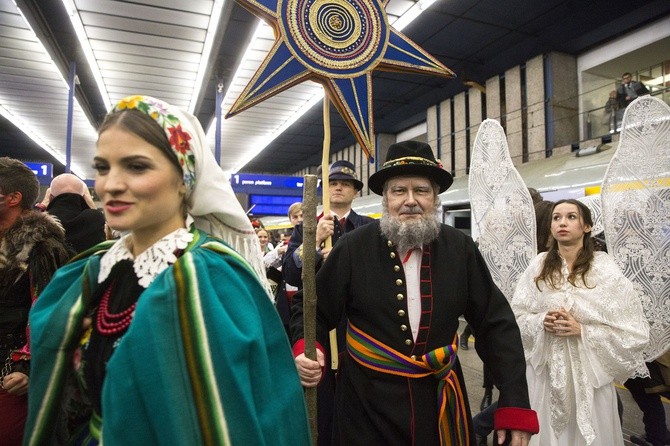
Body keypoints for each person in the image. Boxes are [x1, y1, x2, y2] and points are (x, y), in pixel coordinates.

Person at [23, 95, 311, 445]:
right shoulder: (91, 269)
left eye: (136, 166)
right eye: (103, 167)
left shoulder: (214, 278)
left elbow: (235, 418)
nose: (110, 184)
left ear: (183, 179)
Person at [291, 140, 539, 445]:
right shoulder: (354, 246)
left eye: (421, 190)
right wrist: (308, 347)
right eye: (399, 191)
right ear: (386, 198)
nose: (410, 200)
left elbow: (495, 322)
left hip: (437, 404)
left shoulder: (459, 248)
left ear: (434, 198)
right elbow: (312, 307)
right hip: (365, 405)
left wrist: (514, 402)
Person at [512, 199, 649, 446]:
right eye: (556, 217)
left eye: (571, 217)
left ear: (587, 226)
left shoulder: (605, 270)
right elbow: (517, 316)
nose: (562, 222)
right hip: (545, 376)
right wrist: (541, 321)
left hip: (588, 379)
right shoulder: (538, 265)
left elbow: (633, 332)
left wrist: (582, 330)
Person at [284, 159, 374, 446]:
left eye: (346, 184)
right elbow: (289, 272)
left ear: (355, 192)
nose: (338, 187)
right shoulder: (306, 227)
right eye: (333, 183)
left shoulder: (369, 227)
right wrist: (312, 242)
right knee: (321, 403)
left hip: (356, 328)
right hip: (316, 321)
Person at [0, 157, 71, 446]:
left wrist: (28, 366)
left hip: (12, 371)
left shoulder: (43, 248)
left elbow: (51, 313)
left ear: (13, 198)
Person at [45, 173, 106, 253]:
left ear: (50, 197)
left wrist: (43, 205)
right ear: (84, 197)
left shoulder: (41, 222)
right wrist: (90, 202)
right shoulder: (95, 219)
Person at [625, 349, 670, 446]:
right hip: (657, 354)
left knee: (647, 399)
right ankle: (658, 435)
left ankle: (656, 437)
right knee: (648, 399)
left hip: (647, 358)